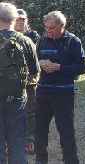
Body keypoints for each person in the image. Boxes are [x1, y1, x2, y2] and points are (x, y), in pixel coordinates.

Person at [35, 11, 85, 164]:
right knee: (39, 129)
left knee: (65, 130)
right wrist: (41, 64)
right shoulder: (43, 40)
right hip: (43, 91)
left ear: (62, 26)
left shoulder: (72, 42)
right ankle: (40, 160)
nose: (48, 31)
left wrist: (58, 67)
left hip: (63, 94)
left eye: (51, 28)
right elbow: (36, 60)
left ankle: (71, 160)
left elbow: (82, 67)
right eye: (46, 27)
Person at [0, 2, 39, 164]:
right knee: (17, 145)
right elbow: (35, 71)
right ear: (14, 19)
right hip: (17, 99)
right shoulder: (26, 41)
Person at [15, 8, 40, 155]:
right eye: (18, 19)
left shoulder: (33, 36)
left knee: (30, 110)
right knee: (11, 111)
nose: (20, 21)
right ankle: (9, 140)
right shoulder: (5, 35)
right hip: (9, 82)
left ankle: (28, 140)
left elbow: (37, 58)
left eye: (23, 19)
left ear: (27, 20)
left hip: (30, 81)